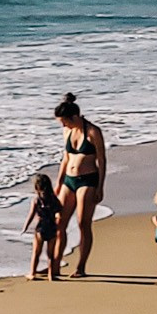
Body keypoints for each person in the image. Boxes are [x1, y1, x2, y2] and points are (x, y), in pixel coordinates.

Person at [53, 94, 108, 278]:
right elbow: (65, 158)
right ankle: (55, 264)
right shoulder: (67, 132)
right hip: (69, 180)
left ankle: (81, 267)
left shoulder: (93, 132)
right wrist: (59, 183)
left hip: (88, 180)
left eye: (64, 121)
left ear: (74, 117)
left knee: (83, 223)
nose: (63, 125)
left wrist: (100, 186)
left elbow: (101, 160)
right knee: (59, 223)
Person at [22, 173, 63, 281]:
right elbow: (60, 211)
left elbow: (31, 214)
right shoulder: (54, 199)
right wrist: (58, 220)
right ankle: (51, 275)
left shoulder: (37, 200)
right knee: (50, 254)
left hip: (41, 228)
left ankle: (32, 273)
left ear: (37, 188)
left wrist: (25, 227)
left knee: (36, 252)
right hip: (52, 227)